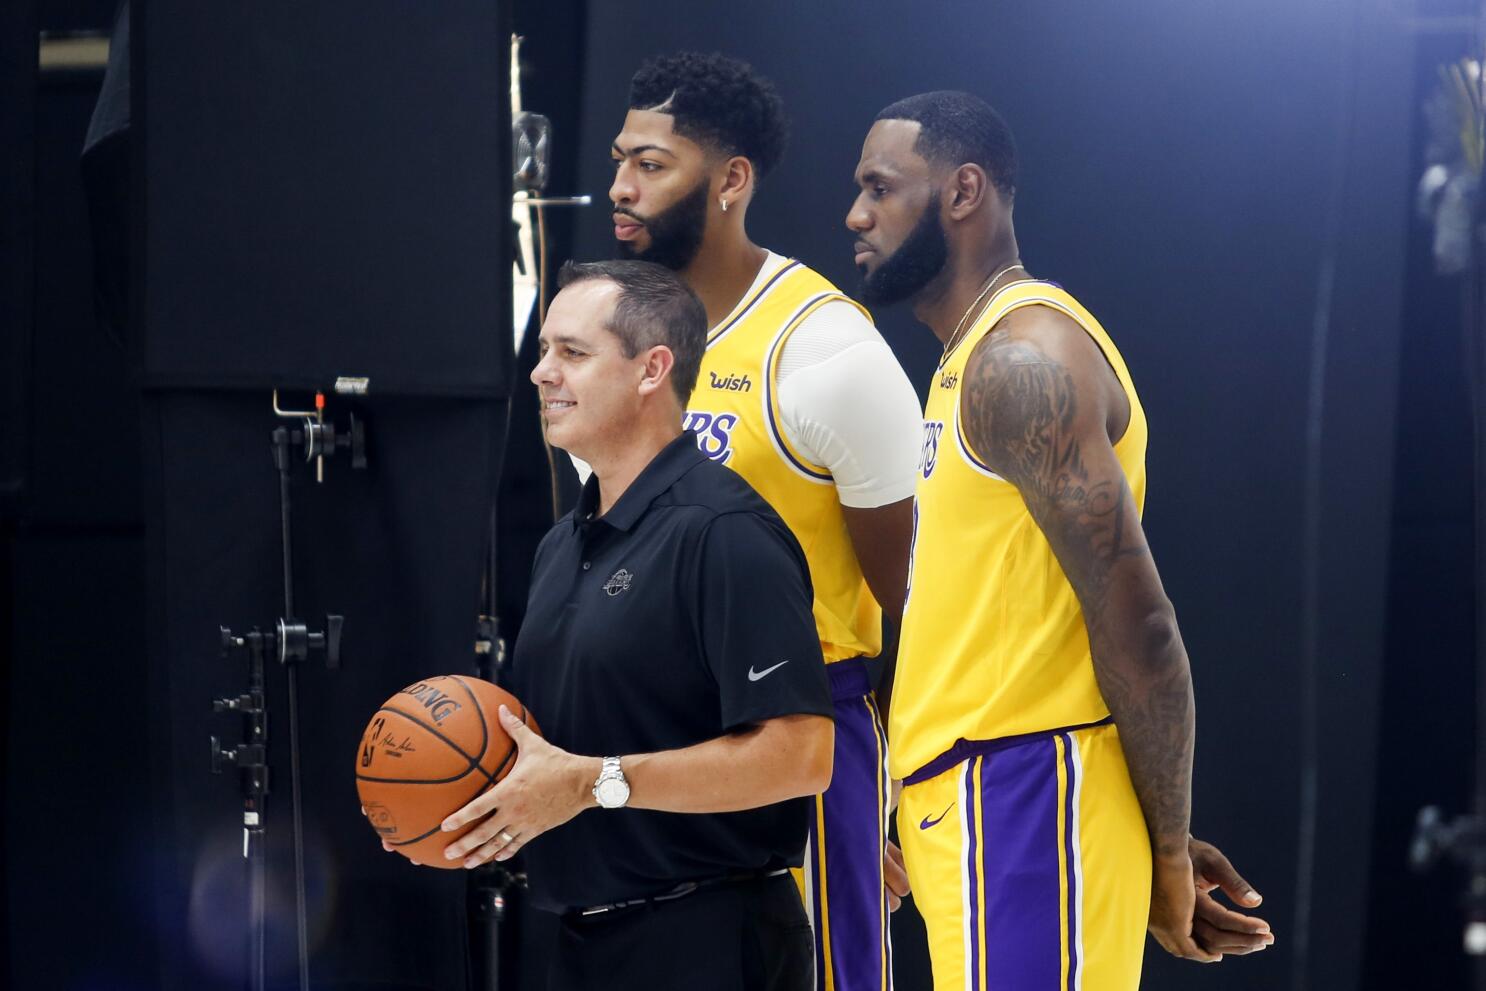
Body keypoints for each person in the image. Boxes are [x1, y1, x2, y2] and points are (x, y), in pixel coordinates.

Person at [845, 91, 1273, 988]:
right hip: (984, 799)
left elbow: (1141, 624)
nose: (856, 214)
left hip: (1023, 800)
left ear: (964, 192)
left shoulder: (1020, 361)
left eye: (881, 187)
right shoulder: (970, 361)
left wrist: (1160, 845)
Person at [608, 52, 921, 991]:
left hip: (794, 733)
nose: (621, 186)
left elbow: (921, 599)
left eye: (653, 165)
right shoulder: (614, 337)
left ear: (732, 180)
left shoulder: (824, 349)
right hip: (654, 738)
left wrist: (893, 801)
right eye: (621, 158)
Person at [440, 260, 835, 991]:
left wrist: (597, 783)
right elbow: (562, 756)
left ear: (653, 369)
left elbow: (800, 756)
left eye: (572, 352)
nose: (540, 373)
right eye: (543, 351)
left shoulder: (725, 532)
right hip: (571, 939)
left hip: (706, 940)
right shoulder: (562, 544)